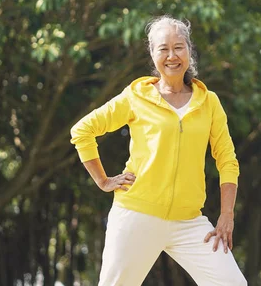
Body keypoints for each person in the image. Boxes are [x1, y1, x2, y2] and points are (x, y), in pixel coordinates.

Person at [70, 16, 247, 286]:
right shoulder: (135, 97)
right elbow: (82, 131)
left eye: (179, 47)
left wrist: (226, 214)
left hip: (189, 221)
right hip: (136, 214)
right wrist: (104, 181)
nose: (172, 55)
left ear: (189, 51)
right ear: (153, 55)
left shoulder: (209, 102)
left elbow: (227, 160)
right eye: (163, 48)